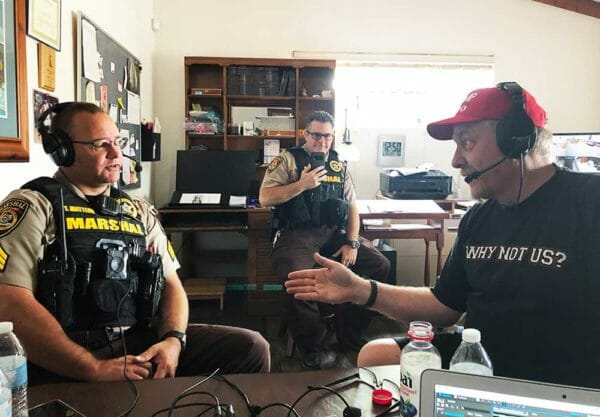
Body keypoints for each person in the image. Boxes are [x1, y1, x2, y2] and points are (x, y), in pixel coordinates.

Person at [285, 82, 600, 388]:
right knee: (375, 354)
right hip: (479, 358)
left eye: (467, 142)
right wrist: (359, 290)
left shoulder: (589, 201)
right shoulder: (479, 219)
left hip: (564, 380)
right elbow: (444, 305)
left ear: (516, 138)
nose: (455, 160)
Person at [0, 102, 270, 385]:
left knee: (252, 349)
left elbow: (171, 283)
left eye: (117, 142)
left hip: (139, 342)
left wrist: (173, 340)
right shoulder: (32, 207)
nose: (116, 153)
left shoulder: (136, 209)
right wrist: (92, 368)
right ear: (62, 151)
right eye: (100, 144)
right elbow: (9, 302)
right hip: (68, 355)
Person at [259, 110, 390, 369]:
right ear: (305, 134)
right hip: (296, 234)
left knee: (379, 265)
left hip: (333, 233)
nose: (322, 141)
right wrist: (302, 184)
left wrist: (352, 242)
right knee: (299, 278)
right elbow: (265, 197)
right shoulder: (288, 161)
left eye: (327, 136)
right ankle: (312, 349)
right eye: (317, 135)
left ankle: (349, 333)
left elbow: (352, 206)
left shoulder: (339, 166)